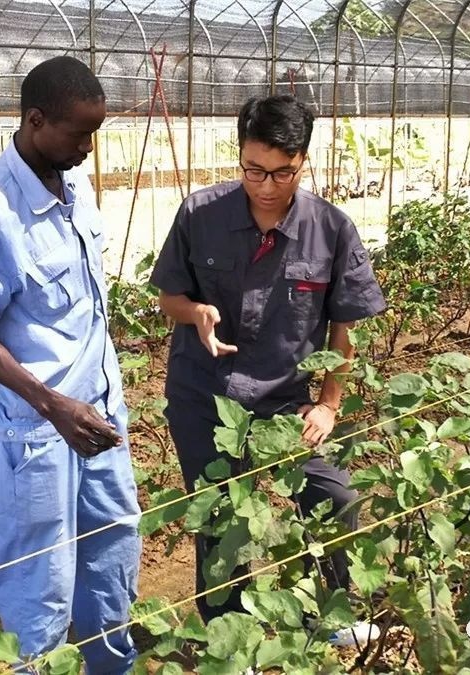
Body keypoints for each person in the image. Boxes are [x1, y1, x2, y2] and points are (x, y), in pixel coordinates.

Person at [149, 95, 386, 643]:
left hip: (284, 399)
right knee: (219, 517)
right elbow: (170, 298)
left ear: (303, 161)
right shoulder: (199, 214)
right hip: (204, 394)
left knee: (335, 498)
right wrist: (198, 313)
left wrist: (328, 404)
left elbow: (344, 329)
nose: (266, 184)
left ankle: (328, 614)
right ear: (240, 157)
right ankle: (232, 634)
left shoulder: (331, 229)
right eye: (253, 169)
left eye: (283, 171)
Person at [0, 56, 141, 673]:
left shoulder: (74, 185)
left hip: (99, 412)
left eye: (95, 133)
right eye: (79, 134)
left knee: (112, 546)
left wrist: (90, 400)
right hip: (37, 426)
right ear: (36, 121)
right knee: (42, 569)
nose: (88, 148)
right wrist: (53, 404)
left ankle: (110, 665)